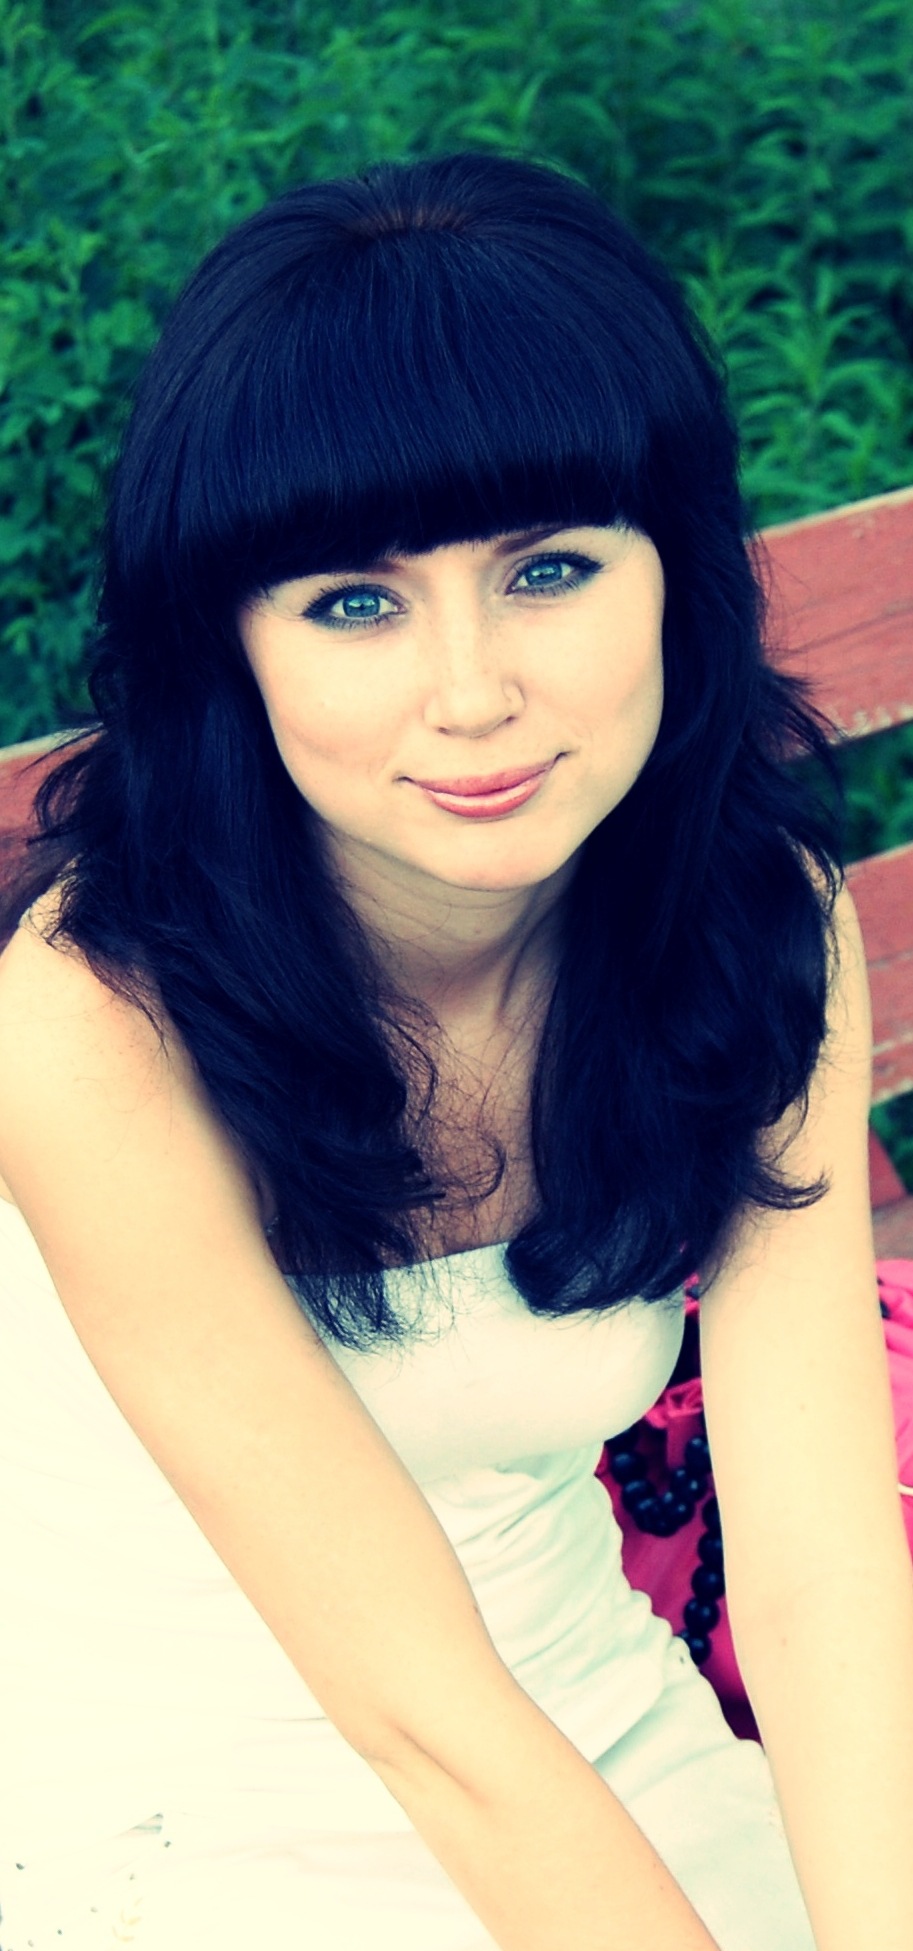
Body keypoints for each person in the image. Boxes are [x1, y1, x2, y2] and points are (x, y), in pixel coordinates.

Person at [0, 151, 911, 1951]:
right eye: (353, 602)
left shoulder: (750, 925)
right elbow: (416, 1714)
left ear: (675, 575)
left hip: (583, 1707)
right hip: (155, 1790)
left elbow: (816, 1574)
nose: (474, 691)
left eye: (549, 569)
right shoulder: (99, 1022)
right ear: (230, 648)